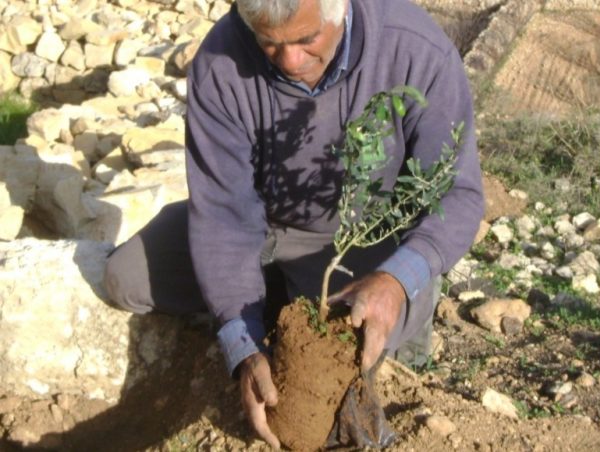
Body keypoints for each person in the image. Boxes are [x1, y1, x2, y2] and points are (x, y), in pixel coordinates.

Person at [103, 0, 484, 448]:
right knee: (125, 278)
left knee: (337, 353)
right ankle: (262, 305)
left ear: (339, 10)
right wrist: (241, 342)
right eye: (269, 42)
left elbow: (457, 195)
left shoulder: (415, 49)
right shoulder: (221, 60)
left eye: (306, 40)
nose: (289, 60)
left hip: (353, 240)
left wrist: (397, 281)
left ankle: (318, 308)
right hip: (256, 224)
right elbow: (224, 214)